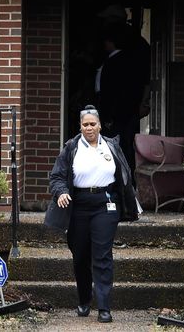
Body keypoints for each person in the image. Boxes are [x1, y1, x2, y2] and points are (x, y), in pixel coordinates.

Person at [45, 107, 139, 323]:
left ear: (99, 125)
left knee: (102, 254)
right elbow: (57, 176)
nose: (89, 128)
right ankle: (84, 299)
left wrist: (129, 200)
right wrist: (61, 192)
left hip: (106, 204)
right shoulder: (71, 147)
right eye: (85, 124)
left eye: (93, 124)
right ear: (80, 126)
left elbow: (124, 173)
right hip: (78, 205)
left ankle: (104, 307)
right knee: (80, 256)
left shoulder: (111, 145)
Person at [97, 24, 143, 176]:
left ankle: (116, 178)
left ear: (111, 43)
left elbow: (109, 92)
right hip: (129, 111)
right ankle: (128, 178)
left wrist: (108, 116)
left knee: (113, 147)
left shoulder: (113, 63)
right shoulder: (132, 61)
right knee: (127, 146)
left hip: (116, 114)